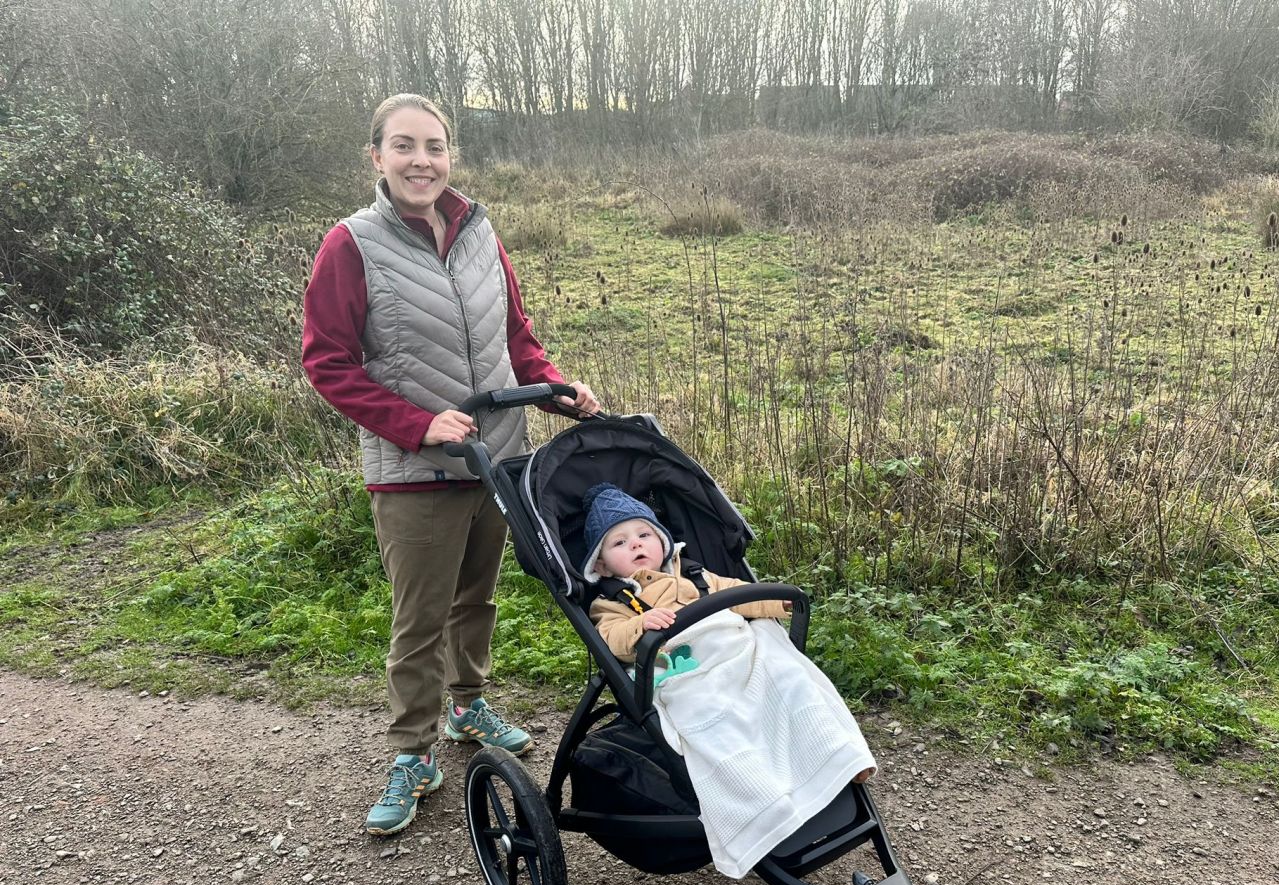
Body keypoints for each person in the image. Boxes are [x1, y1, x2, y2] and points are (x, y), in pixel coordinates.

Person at [302, 93, 599, 837]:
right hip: (413, 470)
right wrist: (417, 424)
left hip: (498, 457)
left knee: (478, 599)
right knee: (420, 619)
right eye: (403, 146)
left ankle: (468, 708)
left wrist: (555, 389)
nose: (421, 161)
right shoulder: (352, 244)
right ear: (376, 157)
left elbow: (514, 335)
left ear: (450, 156)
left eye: (433, 146)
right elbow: (327, 363)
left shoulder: (478, 231)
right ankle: (412, 752)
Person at [581, 483, 876, 787]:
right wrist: (639, 626)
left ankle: (836, 753)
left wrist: (776, 601)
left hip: (735, 650)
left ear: (663, 541)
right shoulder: (612, 602)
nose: (635, 545)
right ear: (601, 565)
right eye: (619, 542)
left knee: (789, 675)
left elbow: (739, 594)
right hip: (690, 670)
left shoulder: (696, 575)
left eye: (644, 535)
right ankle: (757, 785)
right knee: (710, 711)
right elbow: (610, 638)